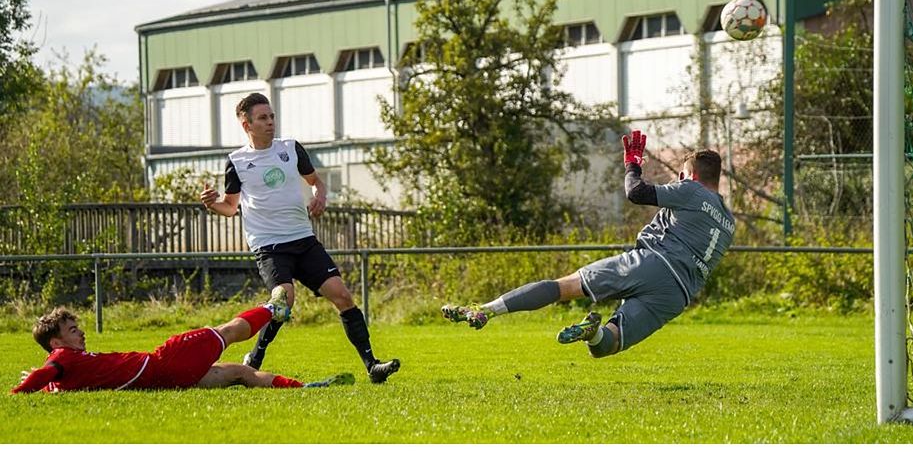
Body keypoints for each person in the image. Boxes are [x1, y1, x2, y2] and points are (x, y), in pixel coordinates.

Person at [441, 129, 735, 358]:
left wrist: (632, 165)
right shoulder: (728, 222)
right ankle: (591, 332)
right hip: (676, 295)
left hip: (652, 263)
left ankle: (486, 310)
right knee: (607, 345)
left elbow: (636, 192)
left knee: (564, 287)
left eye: (681, 177)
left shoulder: (691, 191)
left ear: (690, 176)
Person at [199, 92, 399, 383]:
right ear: (247, 125)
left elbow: (315, 181)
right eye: (262, 118)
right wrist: (210, 203)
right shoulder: (237, 161)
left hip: (304, 239)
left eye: (272, 116)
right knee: (284, 300)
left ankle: (372, 366)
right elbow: (230, 207)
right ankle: (254, 358)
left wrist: (321, 195)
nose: (270, 122)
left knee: (342, 295)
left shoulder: (290, 148)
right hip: (269, 246)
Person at [12, 288, 355, 393]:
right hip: (165, 362)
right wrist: (20, 390)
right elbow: (46, 374)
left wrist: (38, 384)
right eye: (73, 330)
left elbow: (49, 380)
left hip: (165, 379)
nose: (81, 332)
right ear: (56, 342)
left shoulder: (65, 374)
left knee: (238, 372)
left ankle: (305, 388)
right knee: (226, 332)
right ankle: (273, 308)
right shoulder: (63, 361)